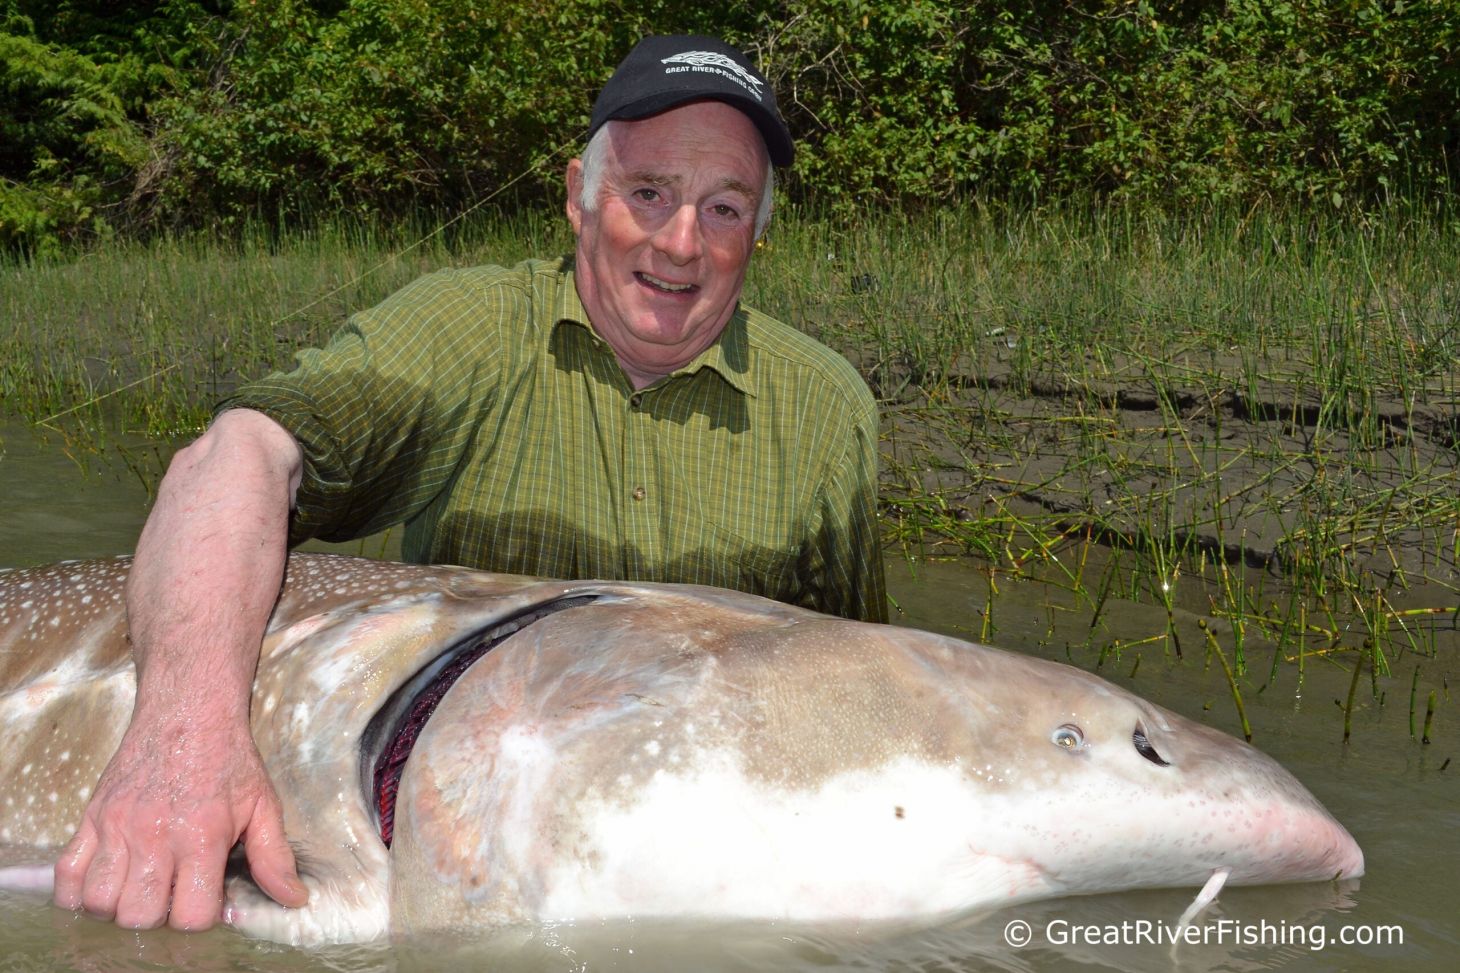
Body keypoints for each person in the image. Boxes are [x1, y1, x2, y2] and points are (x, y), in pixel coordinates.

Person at [52, 35, 886, 931]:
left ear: (759, 232)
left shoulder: (828, 409)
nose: (681, 243)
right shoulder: (468, 329)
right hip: (455, 851)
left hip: (690, 861)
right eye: (649, 193)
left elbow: (857, 692)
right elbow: (240, 456)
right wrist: (181, 741)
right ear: (579, 196)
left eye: (725, 208)